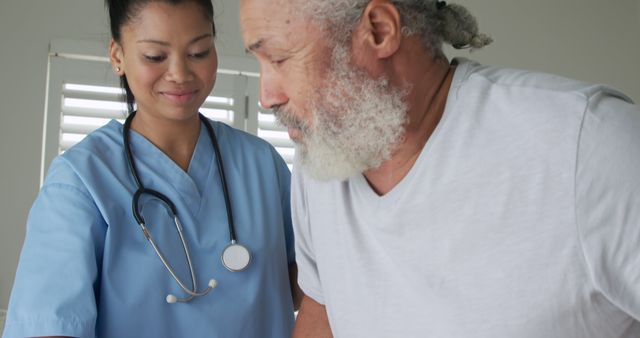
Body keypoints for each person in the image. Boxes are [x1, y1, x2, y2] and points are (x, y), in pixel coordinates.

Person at [240, 0, 640, 337]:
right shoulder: (323, 164)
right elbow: (322, 307)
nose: (266, 96)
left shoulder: (588, 142)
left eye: (278, 58)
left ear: (379, 31)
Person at [3, 0, 300, 337]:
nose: (180, 74)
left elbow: (315, 282)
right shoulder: (81, 182)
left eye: (199, 52)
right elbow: (49, 326)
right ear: (118, 56)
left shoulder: (262, 165)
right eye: (155, 57)